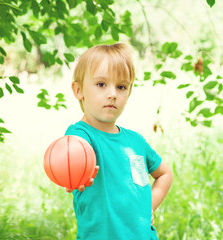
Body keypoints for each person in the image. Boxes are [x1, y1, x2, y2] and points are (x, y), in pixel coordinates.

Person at [64, 43, 173, 240]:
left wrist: (149, 206)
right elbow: (73, 152)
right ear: (79, 90)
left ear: (129, 92)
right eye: (101, 84)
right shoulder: (81, 135)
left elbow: (165, 173)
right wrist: (73, 169)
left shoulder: (135, 141)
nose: (113, 93)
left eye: (121, 86)